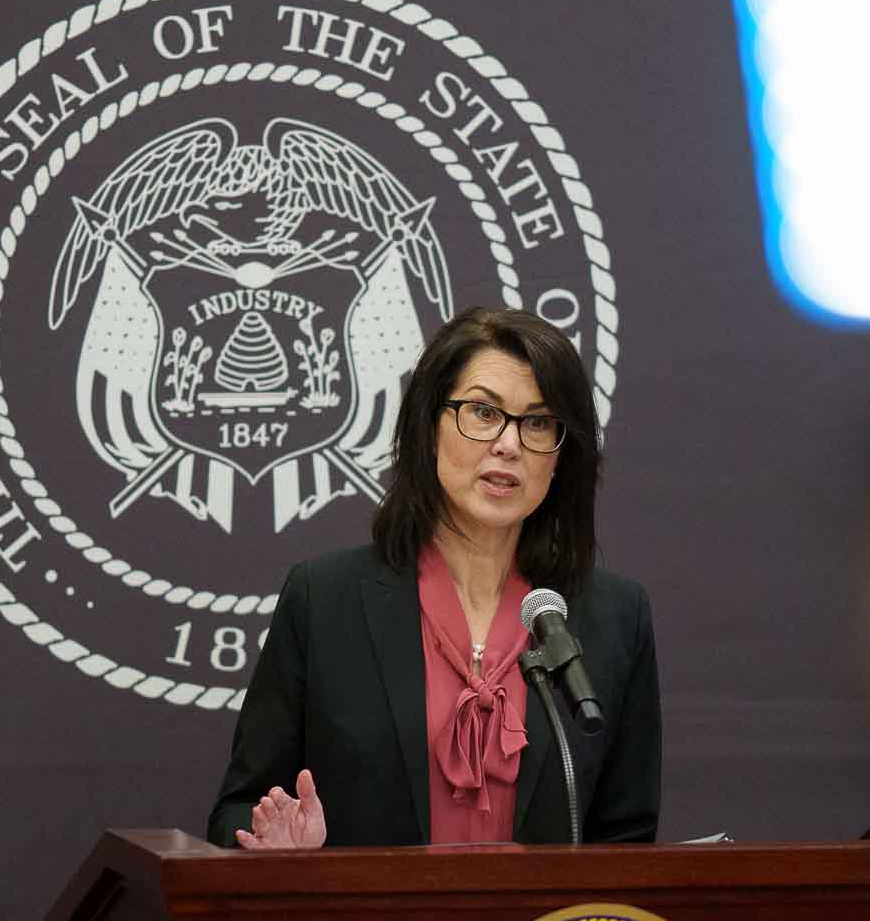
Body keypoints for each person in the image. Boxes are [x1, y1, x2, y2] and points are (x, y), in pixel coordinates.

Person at [206, 306, 661, 848]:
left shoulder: (612, 615)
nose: (509, 444)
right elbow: (239, 806)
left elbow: (626, 838)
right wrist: (279, 847)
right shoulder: (325, 600)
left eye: (538, 422)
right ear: (427, 426)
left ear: (562, 457)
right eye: (483, 412)